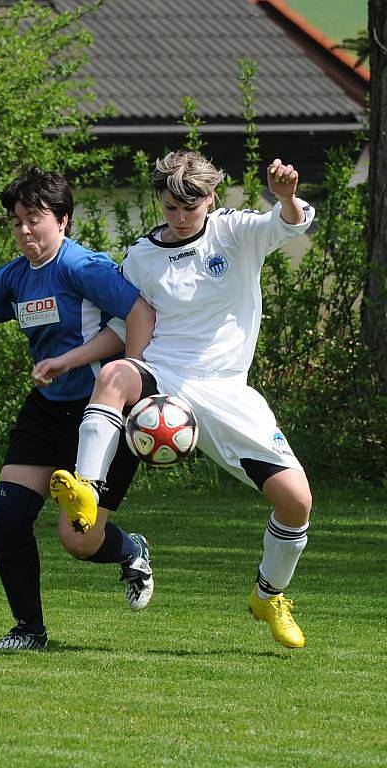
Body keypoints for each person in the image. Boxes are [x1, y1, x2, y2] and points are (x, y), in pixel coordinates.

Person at [50, 151, 315, 649]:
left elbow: (289, 222)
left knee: (297, 502)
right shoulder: (142, 256)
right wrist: (68, 361)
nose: (177, 217)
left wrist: (284, 196)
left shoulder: (235, 232)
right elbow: (125, 323)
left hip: (227, 391)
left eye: (188, 208)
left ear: (210, 198)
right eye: (169, 207)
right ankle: (86, 485)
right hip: (164, 371)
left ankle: (269, 595)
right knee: (114, 375)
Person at [0, 166, 156, 652]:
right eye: (17, 221)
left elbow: (141, 314)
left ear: (62, 220)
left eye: (34, 219)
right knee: (8, 519)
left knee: (77, 540)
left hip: (99, 416)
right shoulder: (15, 278)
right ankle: (29, 630)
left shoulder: (84, 268)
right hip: (46, 411)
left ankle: (130, 549)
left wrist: (138, 383)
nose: (24, 231)